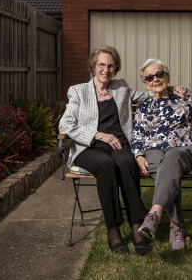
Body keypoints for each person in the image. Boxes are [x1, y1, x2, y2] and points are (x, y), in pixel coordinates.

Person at [58, 46, 158, 255]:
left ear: (116, 68)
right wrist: (96, 135)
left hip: (120, 143)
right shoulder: (78, 91)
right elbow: (65, 125)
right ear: (93, 66)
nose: (106, 69)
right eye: (101, 64)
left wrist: (171, 88)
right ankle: (113, 230)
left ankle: (136, 225)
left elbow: (147, 96)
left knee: (126, 162)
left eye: (111, 65)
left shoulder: (120, 87)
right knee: (106, 165)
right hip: (90, 147)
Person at [133, 58, 192, 250]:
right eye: (150, 77)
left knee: (171, 158)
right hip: (152, 153)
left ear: (167, 77)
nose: (155, 79)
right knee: (165, 168)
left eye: (159, 74)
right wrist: (139, 156)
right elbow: (137, 137)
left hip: (183, 150)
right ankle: (175, 225)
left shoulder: (183, 96)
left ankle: (154, 213)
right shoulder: (143, 107)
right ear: (146, 83)